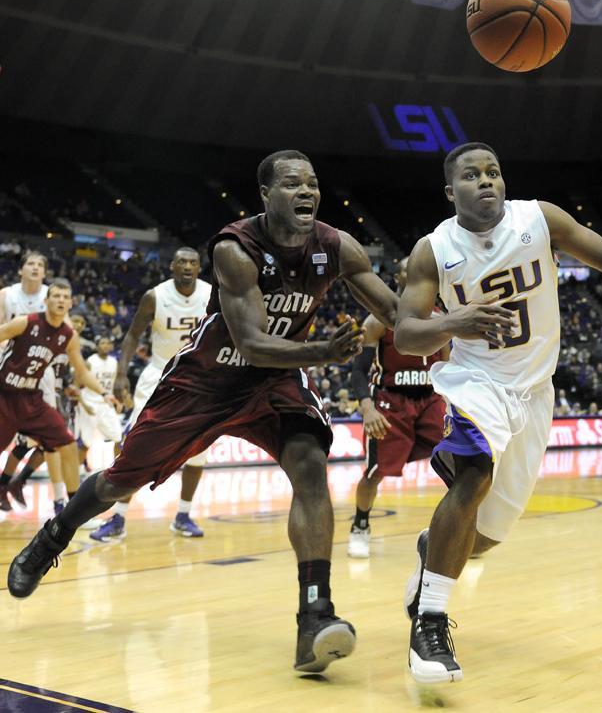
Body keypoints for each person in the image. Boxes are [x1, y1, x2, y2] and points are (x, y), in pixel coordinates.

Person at [7, 150, 398, 676]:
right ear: (266, 194)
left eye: (312, 183)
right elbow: (255, 343)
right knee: (121, 481)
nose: (306, 192)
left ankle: (314, 616)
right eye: (291, 184)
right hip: (204, 382)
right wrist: (321, 353)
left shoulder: (335, 245)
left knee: (310, 467)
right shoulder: (235, 249)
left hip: (276, 380)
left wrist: (459, 324)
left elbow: (397, 314)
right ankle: (54, 535)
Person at [392, 142, 602, 684]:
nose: (486, 180)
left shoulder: (538, 218)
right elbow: (406, 333)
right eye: (471, 174)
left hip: (535, 392)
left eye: (493, 171)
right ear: (451, 192)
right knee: (473, 475)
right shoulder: (434, 249)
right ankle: (431, 624)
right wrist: (453, 323)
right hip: (477, 383)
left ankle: (431, 548)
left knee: (484, 535)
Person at [90, 248, 212, 541]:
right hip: (159, 373)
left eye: (193, 262)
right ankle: (117, 518)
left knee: (199, 451)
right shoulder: (155, 296)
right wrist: (121, 373)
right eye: (181, 261)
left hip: (199, 378)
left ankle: (183, 515)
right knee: (131, 443)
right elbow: (132, 335)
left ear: (198, 268)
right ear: (172, 266)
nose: (187, 266)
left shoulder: (212, 294)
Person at [347, 257, 449, 558]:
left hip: (430, 399)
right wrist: (367, 409)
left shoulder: (441, 317)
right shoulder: (377, 320)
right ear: (398, 278)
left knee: (461, 461)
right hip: (391, 402)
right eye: (411, 269)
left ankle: (459, 530)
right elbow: (358, 371)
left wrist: (452, 404)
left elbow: (447, 365)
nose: (419, 273)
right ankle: (360, 526)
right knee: (375, 472)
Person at [0, 279, 117, 514]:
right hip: (4, 396)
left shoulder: (68, 335)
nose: (61, 300)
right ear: (46, 301)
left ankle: (72, 511)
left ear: (71, 303)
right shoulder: (26, 322)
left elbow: (82, 372)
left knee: (68, 444)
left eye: (65, 297)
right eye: (56, 296)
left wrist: (105, 393)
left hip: (31, 398)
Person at [0, 252, 70, 513]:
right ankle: (7, 483)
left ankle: (59, 500)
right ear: (20, 270)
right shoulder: (7, 295)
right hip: (9, 372)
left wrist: (61, 380)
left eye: (40, 264)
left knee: (52, 439)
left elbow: (65, 337)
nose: (35, 267)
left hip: (44, 374)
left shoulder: (52, 296)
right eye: (30, 263)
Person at [75, 335, 124, 471]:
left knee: (118, 438)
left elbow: (114, 385)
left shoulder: (114, 362)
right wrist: (83, 404)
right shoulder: (90, 362)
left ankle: (117, 470)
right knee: (85, 443)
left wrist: (118, 401)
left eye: (108, 343)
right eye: (102, 343)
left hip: (106, 404)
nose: (106, 345)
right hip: (89, 403)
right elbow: (77, 385)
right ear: (97, 346)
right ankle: (76, 474)